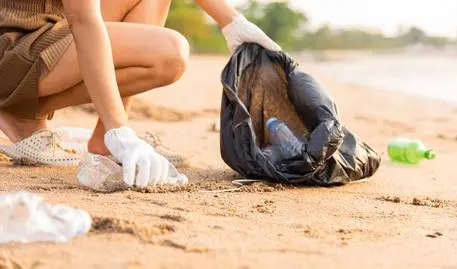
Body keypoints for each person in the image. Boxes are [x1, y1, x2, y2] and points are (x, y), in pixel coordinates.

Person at [0, 0, 280, 187]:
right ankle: (22, 112)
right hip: (12, 45)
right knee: (169, 53)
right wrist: (118, 130)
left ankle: (101, 142)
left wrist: (231, 22)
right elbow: (83, 19)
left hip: (46, 25)